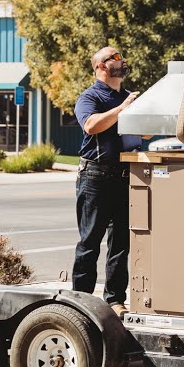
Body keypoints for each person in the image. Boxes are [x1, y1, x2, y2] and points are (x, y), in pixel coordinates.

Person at [71, 45, 139, 314]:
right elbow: (90, 125)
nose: (122, 61)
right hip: (95, 177)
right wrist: (123, 108)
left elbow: (141, 135)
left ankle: (115, 299)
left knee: (121, 243)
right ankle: (80, 301)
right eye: (115, 57)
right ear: (100, 66)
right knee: (90, 242)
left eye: (122, 55)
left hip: (124, 176)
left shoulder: (128, 97)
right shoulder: (89, 97)